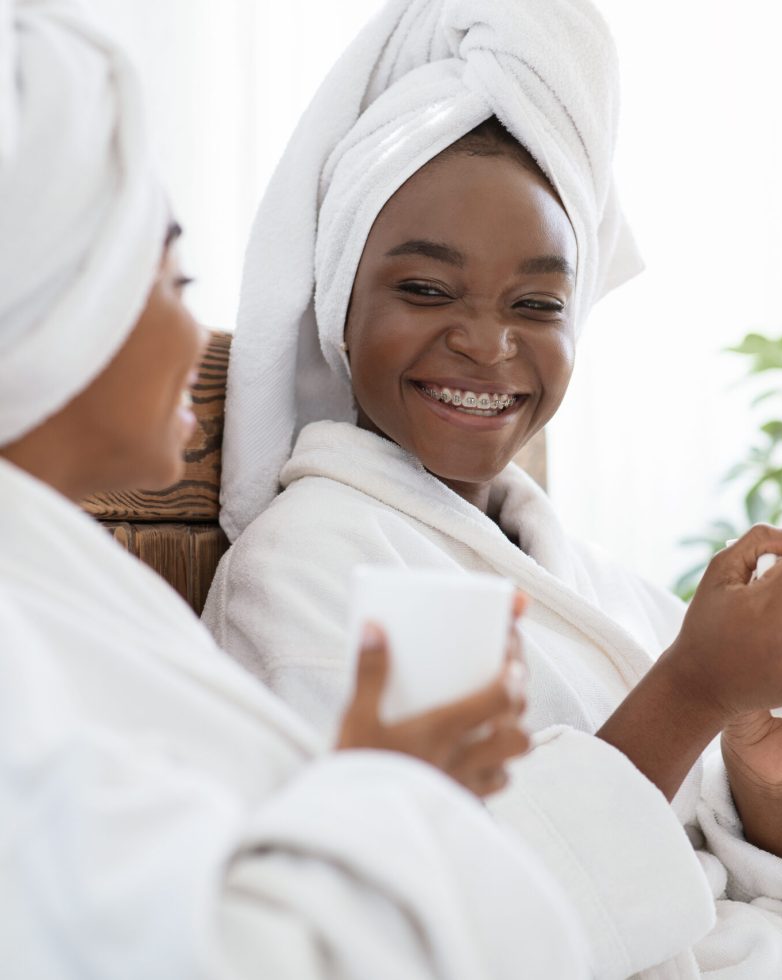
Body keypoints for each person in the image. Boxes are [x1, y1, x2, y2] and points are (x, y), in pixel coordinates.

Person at [202, 0, 782, 976]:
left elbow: (736, 892)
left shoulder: (594, 578)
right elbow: (438, 928)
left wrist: (755, 770)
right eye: (425, 289)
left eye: (538, 303)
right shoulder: (311, 572)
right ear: (336, 295)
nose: (487, 343)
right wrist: (693, 685)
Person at [0, 3, 606, 977]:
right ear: (53, 314)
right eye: (170, 277)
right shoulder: (35, 648)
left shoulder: (58, 582)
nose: (200, 339)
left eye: (537, 302)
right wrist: (392, 789)